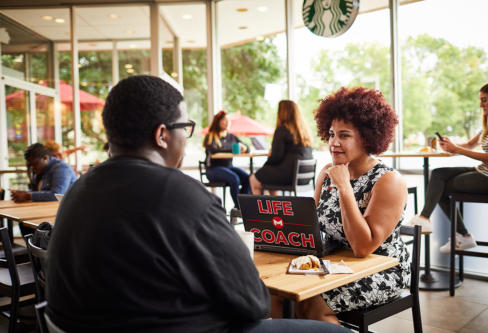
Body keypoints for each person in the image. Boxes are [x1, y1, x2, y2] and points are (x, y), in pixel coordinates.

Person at [46, 75, 349, 333]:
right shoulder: (182, 196)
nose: (187, 138)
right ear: (162, 135)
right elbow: (254, 302)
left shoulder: (78, 190)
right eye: (185, 127)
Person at [273, 87, 409, 324]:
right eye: (331, 134)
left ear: (367, 137)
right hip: (336, 264)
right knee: (276, 293)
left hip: (380, 270)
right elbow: (311, 226)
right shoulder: (327, 173)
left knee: (311, 304)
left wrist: (345, 188)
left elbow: (362, 247)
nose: (333, 143)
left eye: (344, 135)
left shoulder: (388, 181)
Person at [410, 81, 488, 253]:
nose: (480, 104)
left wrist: (456, 149)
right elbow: (469, 145)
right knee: (438, 174)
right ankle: (426, 219)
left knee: (440, 187)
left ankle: (461, 235)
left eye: (484, 100)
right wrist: (451, 145)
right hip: (485, 171)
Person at [250, 100, 313, 195]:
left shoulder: (282, 130)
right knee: (270, 178)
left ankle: (262, 209)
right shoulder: (303, 132)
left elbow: (276, 156)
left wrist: (266, 164)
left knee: (254, 179)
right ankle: (275, 209)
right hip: (305, 176)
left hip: (289, 175)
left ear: (282, 113)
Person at [203, 110, 250, 209]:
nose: (227, 122)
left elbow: (247, 148)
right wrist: (234, 148)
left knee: (248, 178)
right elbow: (214, 151)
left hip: (228, 167)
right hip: (213, 169)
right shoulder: (210, 136)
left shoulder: (232, 137)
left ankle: (242, 204)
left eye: (229, 120)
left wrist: (244, 148)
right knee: (234, 178)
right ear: (218, 122)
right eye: (224, 120)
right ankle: (239, 208)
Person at [10, 143, 76, 202]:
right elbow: (37, 191)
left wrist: (28, 195)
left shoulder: (62, 168)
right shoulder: (42, 169)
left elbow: (56, 195)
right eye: (30, 165)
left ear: (45, 158)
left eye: (35, 164)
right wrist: (23, 194)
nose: (33, 168)